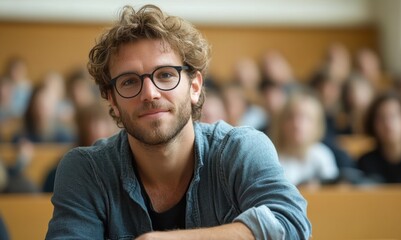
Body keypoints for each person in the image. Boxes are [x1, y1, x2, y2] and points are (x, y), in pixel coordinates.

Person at [46, 4, 311, 240]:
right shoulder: (86, 170)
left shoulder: (241, 150)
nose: (149, 93)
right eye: (129, 81)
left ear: (194, 86)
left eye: (165, 75)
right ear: (111, 100)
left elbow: (290, 223)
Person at [358, 92, 401, 183]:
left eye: (394, 116)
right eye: (381, 118)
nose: (388, 124)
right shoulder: (366, 162)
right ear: (372, 124)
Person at [275, 86, 339, 186]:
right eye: (290, 117)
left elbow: (333, 191)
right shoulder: (273, 157)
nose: (297, 124)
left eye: (306, 118)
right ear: (281, 123)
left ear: (317, 125)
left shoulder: (322, 154)